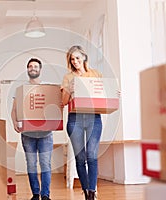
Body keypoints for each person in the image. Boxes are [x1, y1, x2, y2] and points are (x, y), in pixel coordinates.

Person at [61, 45, 102, 200]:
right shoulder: (68, 77)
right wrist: (69, 89)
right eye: (72, 59)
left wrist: (113, 92)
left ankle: (92, 192)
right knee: (80, 158)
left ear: (84, 57)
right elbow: (63, 102)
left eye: (78, 58)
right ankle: (86, 191)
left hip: (94, 118)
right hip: (75, 119)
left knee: (92, 155)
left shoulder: (96, 74)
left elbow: (103, 95)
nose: (75, 61)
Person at [11, 58, 53, 200]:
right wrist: (14, 121)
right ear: (27, 69)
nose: (33, 68)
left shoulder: (47, 89)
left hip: (45, 134)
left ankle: (45, 194)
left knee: (45, 163)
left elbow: (54, 108)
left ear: (40, 70)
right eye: (30, 66)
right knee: (31, 164)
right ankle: (36, 193)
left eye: (35, 66)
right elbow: (14, 109)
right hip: (28, 134)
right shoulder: (21, 90)